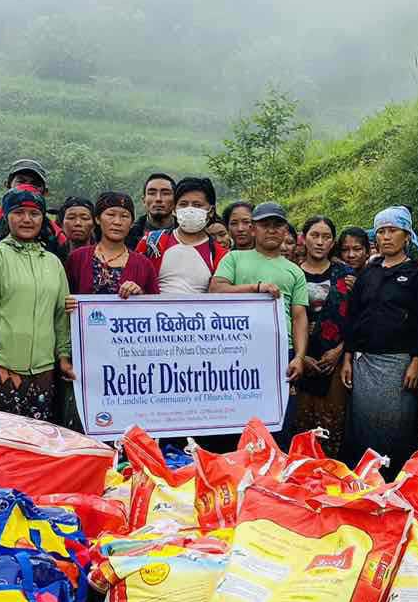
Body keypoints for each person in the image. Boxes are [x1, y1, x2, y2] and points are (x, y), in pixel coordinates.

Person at [341, 207, 418, 474]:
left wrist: (417, 361)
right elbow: (354, 317)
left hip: (399, 363)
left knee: (397, 428)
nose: (386, 237)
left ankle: (396, 484)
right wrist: (348, 357)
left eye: (392, 231)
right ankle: (364, 481)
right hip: (364, 362)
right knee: (362, 426)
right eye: (381, 232)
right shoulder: (368, 274)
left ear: (406, 235)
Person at [210, 202, 309, 441]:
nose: (272, 230)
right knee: (238, 423)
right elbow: (216, 289)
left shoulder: (294, 271)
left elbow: (299, 317)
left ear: (286, 231)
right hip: (236, 352)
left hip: (278, 354)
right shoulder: (234, 258)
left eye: (277, 226)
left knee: (278, 424)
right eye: (265, 225)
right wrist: (256, 288)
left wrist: (299, 356)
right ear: (254, 229)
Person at [0, 188, 73, 421]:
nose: (27, 219)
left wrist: (64, 356)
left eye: (34, 214)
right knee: (3, 437)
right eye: (19, 212)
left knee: (37, 439)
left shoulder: (53, 262)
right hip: (2, 363)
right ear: (7, 216)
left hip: (44, 368)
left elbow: (61, 315)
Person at [293, 215, 351, 455]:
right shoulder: (291, 273)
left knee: (333, 421)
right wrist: (301, 355)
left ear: (333, 242)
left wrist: (340, 351)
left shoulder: (346, 275)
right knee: (301, 422)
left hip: (335, 359)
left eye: (326, 237)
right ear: (304, 239)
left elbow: (358, 318)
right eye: (314, 235)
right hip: (300, 360)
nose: (319, 242)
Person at [64, 192, 159, 299]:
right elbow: (62, 298)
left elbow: (155, 305)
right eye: (110, 215)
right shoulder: (77, 258)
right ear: (98, 219)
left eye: (124, 216)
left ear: (132, 223)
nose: (117, 222)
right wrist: (68, 304)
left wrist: (140, 295)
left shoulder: (143, 265)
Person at [140, 177, 226, 295]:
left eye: (197, 205)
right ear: (174, 209)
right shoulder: (152, 241)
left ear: (211, 211)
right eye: (183, 204)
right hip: (154, 312)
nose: (190, 210)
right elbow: (135, 280)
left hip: (197, 313)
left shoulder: (220, 255)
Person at [0, 158, 70, 259]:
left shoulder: (54, 234)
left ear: (45, 192)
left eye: (35, 184)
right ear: (7, 185)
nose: (27, 187)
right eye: (21, 181)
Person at [128, 172, 176, 248]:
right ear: (144, 200)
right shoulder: (128, 235)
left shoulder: (188, 234)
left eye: (165, 193)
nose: (158, 199)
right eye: (152, 193)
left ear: (175, 200)